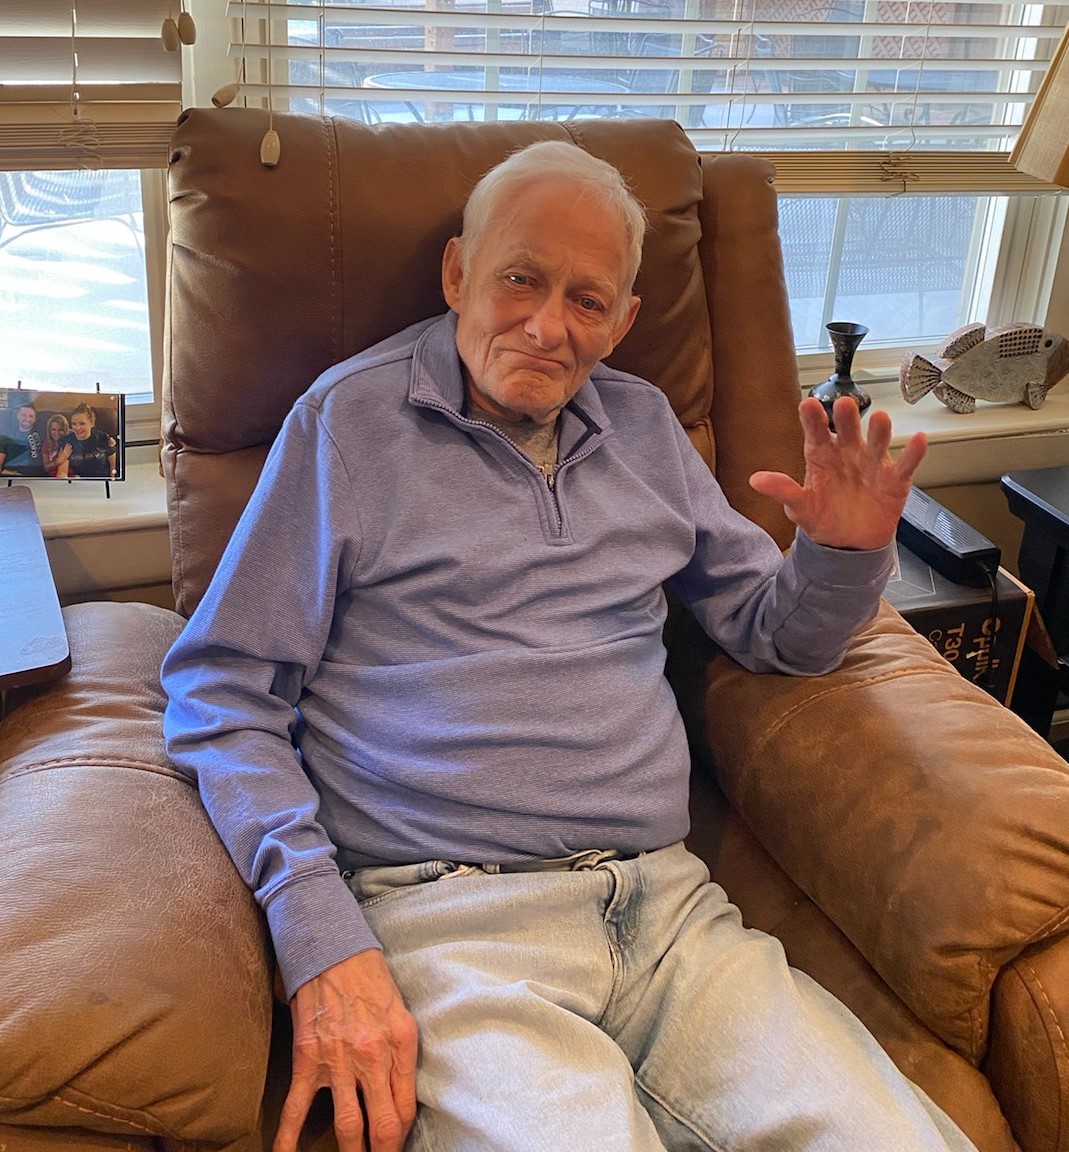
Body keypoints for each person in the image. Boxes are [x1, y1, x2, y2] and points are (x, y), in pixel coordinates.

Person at [162, 141, 973, 1152]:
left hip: (671, 917)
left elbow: (774, 638)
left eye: (587, 301)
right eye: (519, 280)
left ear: (623, 321)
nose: (548, 328)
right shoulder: (345, 426)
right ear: (457, 273)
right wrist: (318, 934)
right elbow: (221, 691)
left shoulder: (644, 426)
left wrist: (841, 556)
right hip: (454, 923)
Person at [56, 402, 117, 479]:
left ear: (92, 423)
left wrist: (112, 481)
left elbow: (113, 468)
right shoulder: (66, 442)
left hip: (102, 481)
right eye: (74, 424)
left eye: (82, 424)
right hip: (79, 481)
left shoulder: (104, 438)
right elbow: (62, 472)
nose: (77, 428)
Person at [0, 398, 45, 476]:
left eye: (31, 416)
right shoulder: (7, 435)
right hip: (11, 475)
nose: (27, 419)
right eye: (24, 415)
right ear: (18, 416)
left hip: (36, 476)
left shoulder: (43, 433)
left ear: (35, 419)